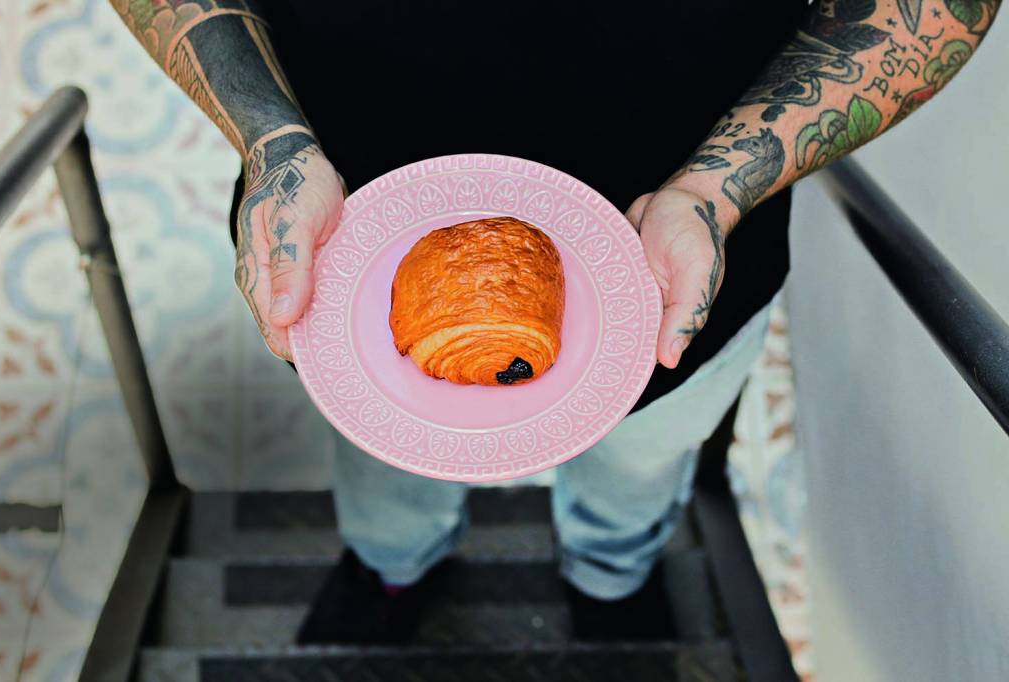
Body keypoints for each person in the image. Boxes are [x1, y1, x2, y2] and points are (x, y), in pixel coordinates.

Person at [111, 0, 1001, 642]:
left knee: (643, 463)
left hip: (684, 248)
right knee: (389, 462)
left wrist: (716, 190)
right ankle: (394, 565)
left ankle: (611, 576)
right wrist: (269, 136)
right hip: (352, 248)